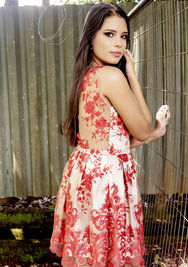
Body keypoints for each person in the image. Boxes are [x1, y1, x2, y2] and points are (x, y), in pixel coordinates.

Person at [49, 2, 170, 266]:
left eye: (123, 36)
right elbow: (143, 125)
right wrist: (132, 75)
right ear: (90, 37)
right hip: (106, 184)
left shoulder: (86, 76)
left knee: (93, 257)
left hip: (86, 177)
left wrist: (153, 134)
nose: (119, 44)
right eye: (109, 34)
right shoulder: (111, 77)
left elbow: (113, 141)